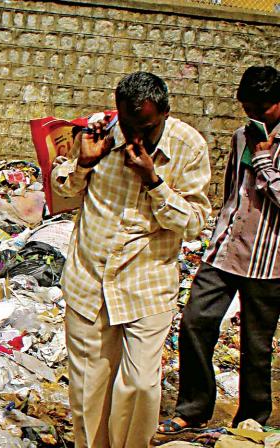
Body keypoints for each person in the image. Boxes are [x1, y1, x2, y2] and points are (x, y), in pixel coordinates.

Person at [51, 71, 212, 448]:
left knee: (140, 385)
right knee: (89, 388)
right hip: (89, 280)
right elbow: (61, 192)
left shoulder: (189, 147)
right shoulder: (99, 132)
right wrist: (83, 164)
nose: (135, 136)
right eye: (128, 124)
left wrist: (155, 182)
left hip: (147, 282)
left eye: (146, 126)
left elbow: (193, 224)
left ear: (166, 114)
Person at [158, 66, 280, 435]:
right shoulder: (242, 136)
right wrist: (217, 232)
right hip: (225, 250)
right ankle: (193, 408)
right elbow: (233, 192)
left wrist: (264, 162)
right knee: (196, 322)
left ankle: (251, 417)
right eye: (248, 107)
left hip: (269, 259)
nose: (255, 115)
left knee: (256, 345)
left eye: (263, 108)